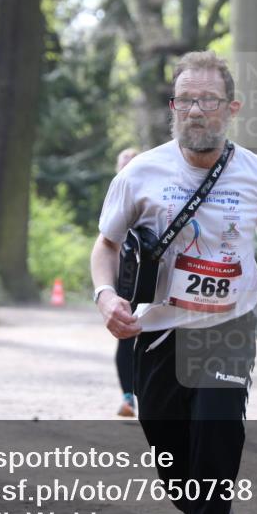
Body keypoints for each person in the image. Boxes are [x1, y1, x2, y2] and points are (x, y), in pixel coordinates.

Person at [90, 51, 257, 514]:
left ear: (230, 108)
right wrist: (104, 296)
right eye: (186, 100)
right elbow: (106, 246)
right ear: (173, 108)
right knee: (173, 463)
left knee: (218, 437)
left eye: (208, 100)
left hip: (227, 331)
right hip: (160, 333)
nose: (196, 110)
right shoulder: (141, 173)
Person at [113, 147, 139, 418]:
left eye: (134, 162)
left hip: (152, 279)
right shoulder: (114, 196)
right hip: (124, 279)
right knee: (125, 338)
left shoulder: (153, 191)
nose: (129, 166)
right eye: (124, 162)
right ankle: (128, 398)